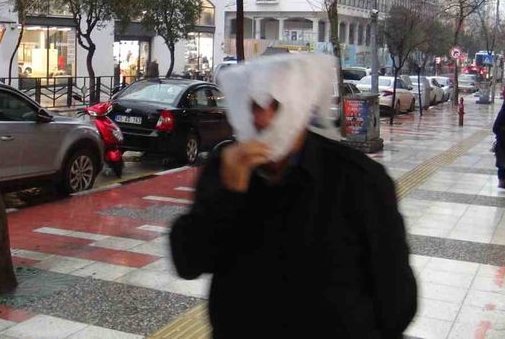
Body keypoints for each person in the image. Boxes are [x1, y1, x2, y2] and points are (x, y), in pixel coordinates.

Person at [170, 54, 416, 339]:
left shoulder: (358, 181)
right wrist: (228, 194)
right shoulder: (225, 168)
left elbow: (397, 301)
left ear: (298, 106)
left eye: (274, 105)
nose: (262, 119)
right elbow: (188, 262)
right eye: (252, 106)